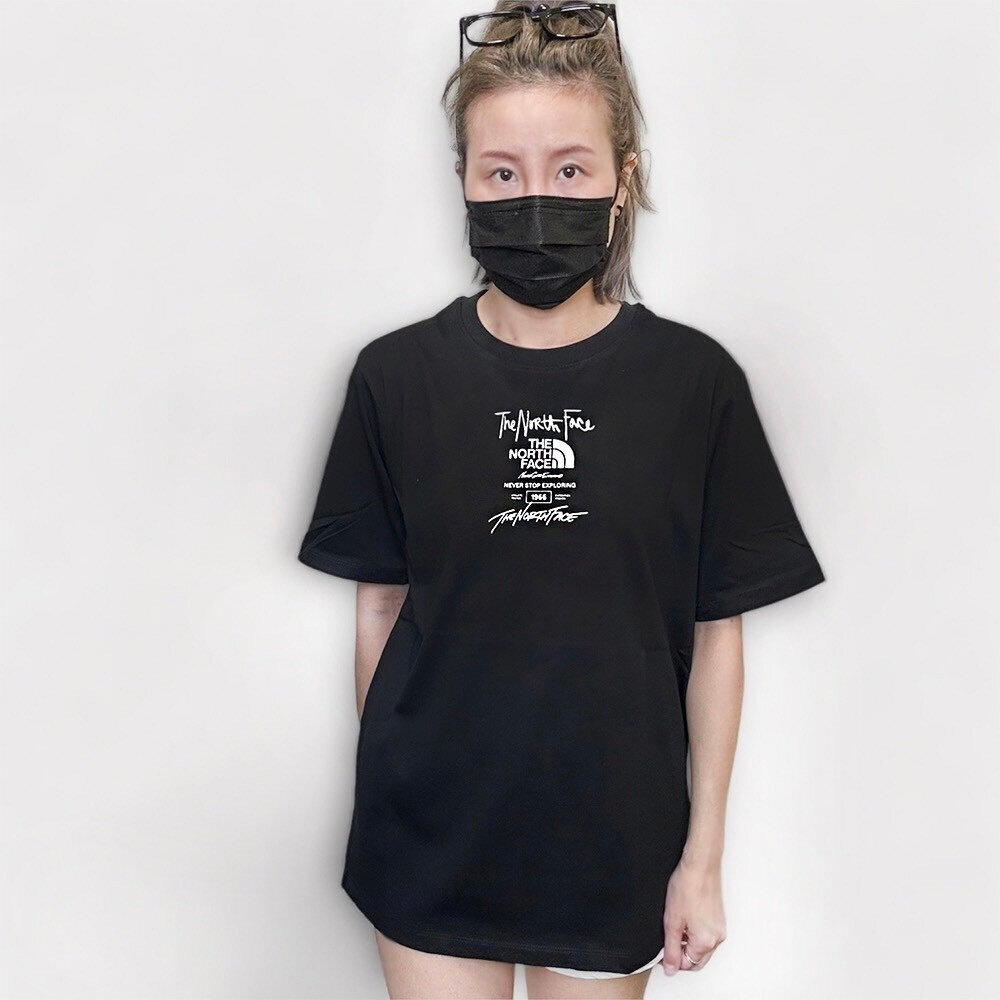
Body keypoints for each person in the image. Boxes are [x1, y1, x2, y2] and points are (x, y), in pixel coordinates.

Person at [296, 2, 826, 997]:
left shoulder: (694, 384)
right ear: (462, 178)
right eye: (502, 173)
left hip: (612, 843)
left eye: (570, 170)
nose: (535, 198)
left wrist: (702, 859)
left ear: (623, 181)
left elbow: (715, 633)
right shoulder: (394, 378)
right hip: (429, 839)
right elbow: (379, 608)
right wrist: (393, 795)